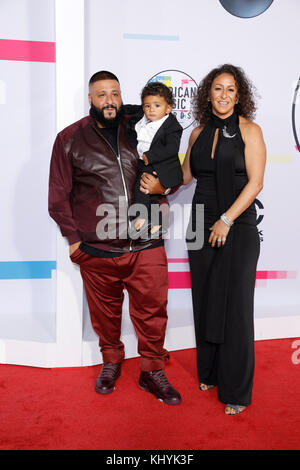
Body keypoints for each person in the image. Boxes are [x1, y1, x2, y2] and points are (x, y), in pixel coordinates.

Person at [48, 70, 181, 405]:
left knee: (153, 311)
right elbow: (57, 196)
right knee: (105, 315)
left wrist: (163, 191)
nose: (110, 100)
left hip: (146, 243)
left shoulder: (142, 128)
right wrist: (74, 242)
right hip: (98, 248)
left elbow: (168, 169)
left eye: (115, 93)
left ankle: (152, 370)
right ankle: (111, 361)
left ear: (123, 97)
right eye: (102, 94)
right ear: (90, 99)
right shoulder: (70, 138)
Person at [182, 64, 266, 415]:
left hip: (238, 225)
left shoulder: (251, 131)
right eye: (218, 88)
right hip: (200, 223)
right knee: (205, 300)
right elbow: (185, 177)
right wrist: (153, 176)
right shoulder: (197, 133)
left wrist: (226, 220)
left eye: (231, 89)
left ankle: (235, 391)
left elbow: (256, 183)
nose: (224, 95)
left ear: (239, 94)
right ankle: (211, 372)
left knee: (235, 308)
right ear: (208, 93)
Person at [128, 82, 183, 240]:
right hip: (145, 163)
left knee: (141, 190)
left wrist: (151, 156)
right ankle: (158, 225)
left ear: (168, 108)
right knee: (151, 197)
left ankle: (142, 219)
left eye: (157, 105)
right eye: (147, 106)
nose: (151, 109)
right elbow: (130, 109)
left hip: (160, 166)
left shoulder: (172, 126)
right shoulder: (142, 119)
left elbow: (171, 148)